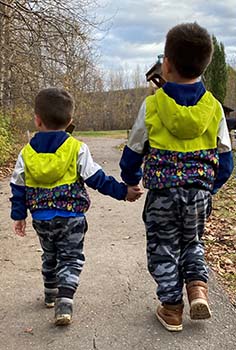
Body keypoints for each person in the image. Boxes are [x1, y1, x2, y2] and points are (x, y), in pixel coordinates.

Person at [119, 22, 234, 332]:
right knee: (192, 242)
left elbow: (133, 151)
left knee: (163, 249)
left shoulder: (153, 105)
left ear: (166, 64)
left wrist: (130, 179)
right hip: (198, 194)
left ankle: (171, 308)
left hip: (162, 196)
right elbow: (226, 161)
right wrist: (209, 188)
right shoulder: (213, 108)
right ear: (206, 64)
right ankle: (197, 288)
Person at [10, 87, 143, 326]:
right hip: (71, 217)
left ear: (37, 120)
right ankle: (64, 301)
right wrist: (124, 192)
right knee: (71, 258)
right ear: (70, 121)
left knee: (49, 255)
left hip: (41, 217)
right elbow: (97, 179)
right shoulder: (76, 148)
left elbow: (18, 187)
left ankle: (50, 292)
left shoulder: (26, 153)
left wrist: (19, 216)